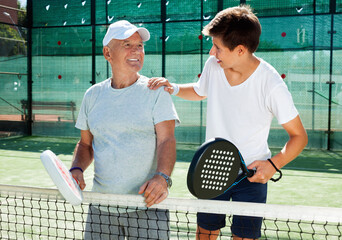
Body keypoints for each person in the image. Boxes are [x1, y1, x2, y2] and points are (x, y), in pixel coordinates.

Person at [148, 5, 308, 240]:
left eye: (218, 47)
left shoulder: (271, 84)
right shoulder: (214, 66)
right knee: (205, 234)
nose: (212, 53)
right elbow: (201, 91)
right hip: (212, 170)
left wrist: (273, 165)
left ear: (240, 50)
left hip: (251, 176)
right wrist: (174, 88)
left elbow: (299, 136)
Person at [70, 20, 180, 239]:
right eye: (127, 44)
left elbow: (166, 140)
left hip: (148, 207)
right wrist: (77, 169)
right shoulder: (92, 95)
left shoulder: (156, 91)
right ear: (107, 53)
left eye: (139, 45)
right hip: (101, 208)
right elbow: (85, 144)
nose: (136, 51)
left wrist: (162, 177)